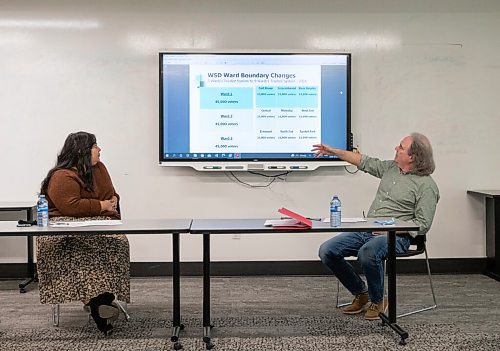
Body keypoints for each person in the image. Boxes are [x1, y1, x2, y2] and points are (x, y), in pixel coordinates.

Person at [312, 132, 439, 320]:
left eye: (401, 147)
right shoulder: (390, 169)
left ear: (413, 157)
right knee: (327, 250)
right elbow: (362, 161)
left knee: (368, 252)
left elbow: (423, 224)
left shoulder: (426, 186)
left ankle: (378, 300)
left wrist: (392, 227)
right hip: (368, 229)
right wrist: (332, 151)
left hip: (397, 237)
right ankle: (361, 293)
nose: (396, 149)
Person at [37, 131, 130, 335]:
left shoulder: (100, 168)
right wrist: (101, 205)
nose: (99, 150)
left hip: (97, 220)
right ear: (82, 151)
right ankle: (98, 305)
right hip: (64, 223)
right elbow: (70, 207)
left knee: (117, 242)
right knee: (82, 244)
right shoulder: (62, 175)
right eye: (95, 146)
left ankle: (100, 301)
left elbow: (109, 194)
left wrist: (113, 200)